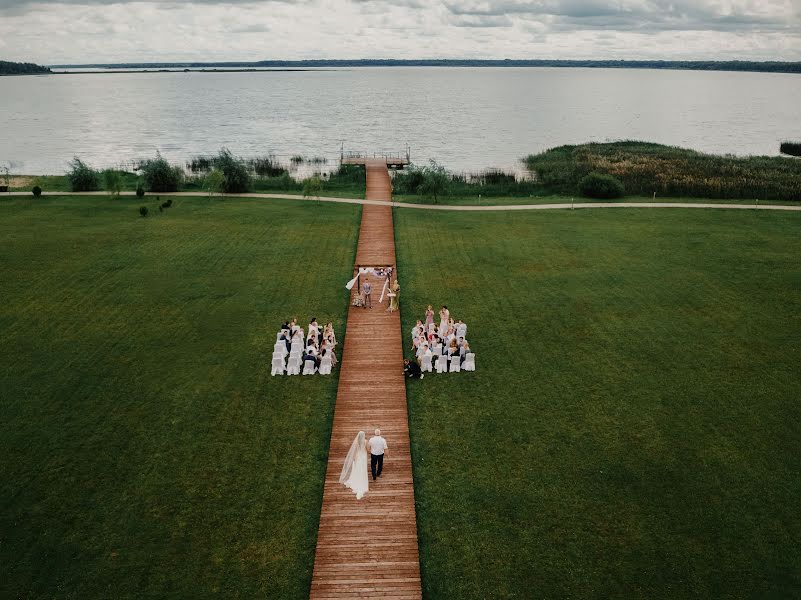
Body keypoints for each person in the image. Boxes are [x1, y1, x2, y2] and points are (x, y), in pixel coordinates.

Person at [340, 431, 369, 499]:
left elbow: (355, 451)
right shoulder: (366, 441)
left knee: (357, 469)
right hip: (363, 457)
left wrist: (354, 458)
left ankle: (355, 480)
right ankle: (362, 481)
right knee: (363, 469)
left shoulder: (356, 442)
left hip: (358, 457)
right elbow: (368, 450)